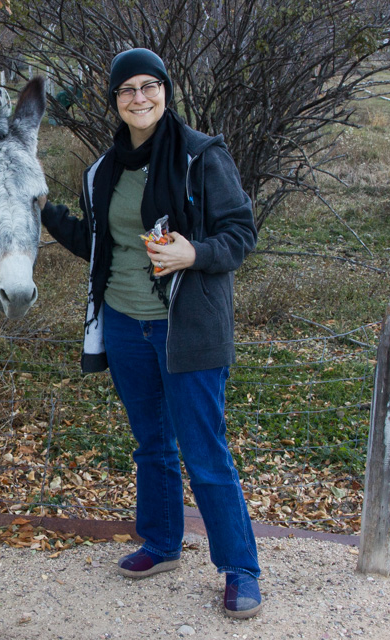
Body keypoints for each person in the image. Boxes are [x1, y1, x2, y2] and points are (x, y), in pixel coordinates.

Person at [39, 48, 262, 619]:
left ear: (165, 90)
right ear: (115, 102)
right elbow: (101, 244)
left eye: (149, 86)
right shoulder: (103, 170)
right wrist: (45, 211)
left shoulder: (200, 156)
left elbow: (241, 232)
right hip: (124, 323)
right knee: (152, 445)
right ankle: (162, 544)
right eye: (126, 90)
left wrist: (197, 252)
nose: (139, 98)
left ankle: (240, 569)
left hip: (186, 329)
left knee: (204, 449)